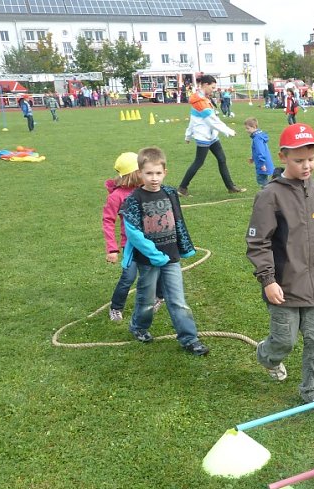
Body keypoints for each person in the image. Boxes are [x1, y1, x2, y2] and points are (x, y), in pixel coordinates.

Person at [246, 124, 314, 411]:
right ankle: (267, 356)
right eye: (299, 160)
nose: (307, 165)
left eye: (311, 159)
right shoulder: (269, 196)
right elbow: (258, 243)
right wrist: (268, 280)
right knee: (284, 342)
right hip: (283, 286)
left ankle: (313, 391)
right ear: (283, 156)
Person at [120, 146, 209, 356]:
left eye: (158, 173)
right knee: (146, 298)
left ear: (165, 172)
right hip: (148, 260)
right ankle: (139, 326)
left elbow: (178, 220)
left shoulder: (169, 193)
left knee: (178, 299)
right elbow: (133, 233)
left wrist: (182, 247)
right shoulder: (134, 200)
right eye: (149, 173)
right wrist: (154, 254)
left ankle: (189, 338)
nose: (154, 178)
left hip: (171, 258)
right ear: (140, 173)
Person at [102, 152, 164, 321]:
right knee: (128, 276)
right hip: (130, 244)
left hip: (151, 241)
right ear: (134, 173)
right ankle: (116, 307)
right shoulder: (117, 196)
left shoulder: (146, 190)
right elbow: (108, 221)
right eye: (143, 170)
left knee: (156, 270)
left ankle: (159, 297)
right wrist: (112, 249)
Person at [178, 74, 244, 198]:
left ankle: (230, 187)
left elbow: (194, 120)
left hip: (212, 137)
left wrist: (188, 135)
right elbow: (212, 121)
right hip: (203, 137)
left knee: (222, 159)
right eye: (212, 87)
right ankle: (182, 188)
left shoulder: (203, 99)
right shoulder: (200, 102)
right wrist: (229, 131)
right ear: (205, 85)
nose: (213, 90)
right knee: (198, 162)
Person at [243, 117, 275, 186]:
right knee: (263, 179)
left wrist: (262, 164)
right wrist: (253, 157)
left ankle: (268, 195)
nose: (246, 130)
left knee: (262, 180)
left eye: (248, 128)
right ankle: (269, 193)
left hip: (262, 164)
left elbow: (261, 151)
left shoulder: (257, 138)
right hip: (264, 162)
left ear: (254, 127)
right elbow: (257, 150)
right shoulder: (259, 136)